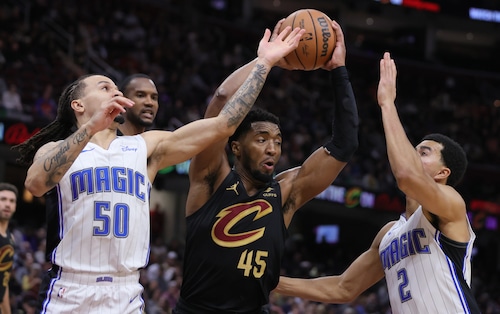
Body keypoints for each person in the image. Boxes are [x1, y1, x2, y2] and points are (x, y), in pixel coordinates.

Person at [14, 25, 304, 314]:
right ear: (78, 104)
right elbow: (36, 184)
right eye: (105, 87)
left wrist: (264, 63)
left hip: (125, 291)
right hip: (70, 288)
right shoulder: (55, 150)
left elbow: (223, 125)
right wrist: (91, 127)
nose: (115, 91)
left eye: (116, 88)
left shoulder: (145, 146)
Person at [173, 19, 359, 313]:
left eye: (278, 140)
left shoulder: (286, 192)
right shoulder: (210, 179)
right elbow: (221, 100)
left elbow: (344, 145)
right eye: (261, 139)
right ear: (235, 147)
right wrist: (265, 62)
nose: (273, 147)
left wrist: (338, 71)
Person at [274, 52, 481, 314]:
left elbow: (406, 175)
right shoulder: (388, 234)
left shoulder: (451, 204)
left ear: (443, 173)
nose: (413, 153)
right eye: (413, 149)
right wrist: (271, 282)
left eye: (424, 152)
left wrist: (387, 104)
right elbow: (342, 288)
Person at [0, 182, 18, 314]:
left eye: (12, 201)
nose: (8, 204)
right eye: (3, 199)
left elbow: (3, 282)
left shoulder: (11, 238)